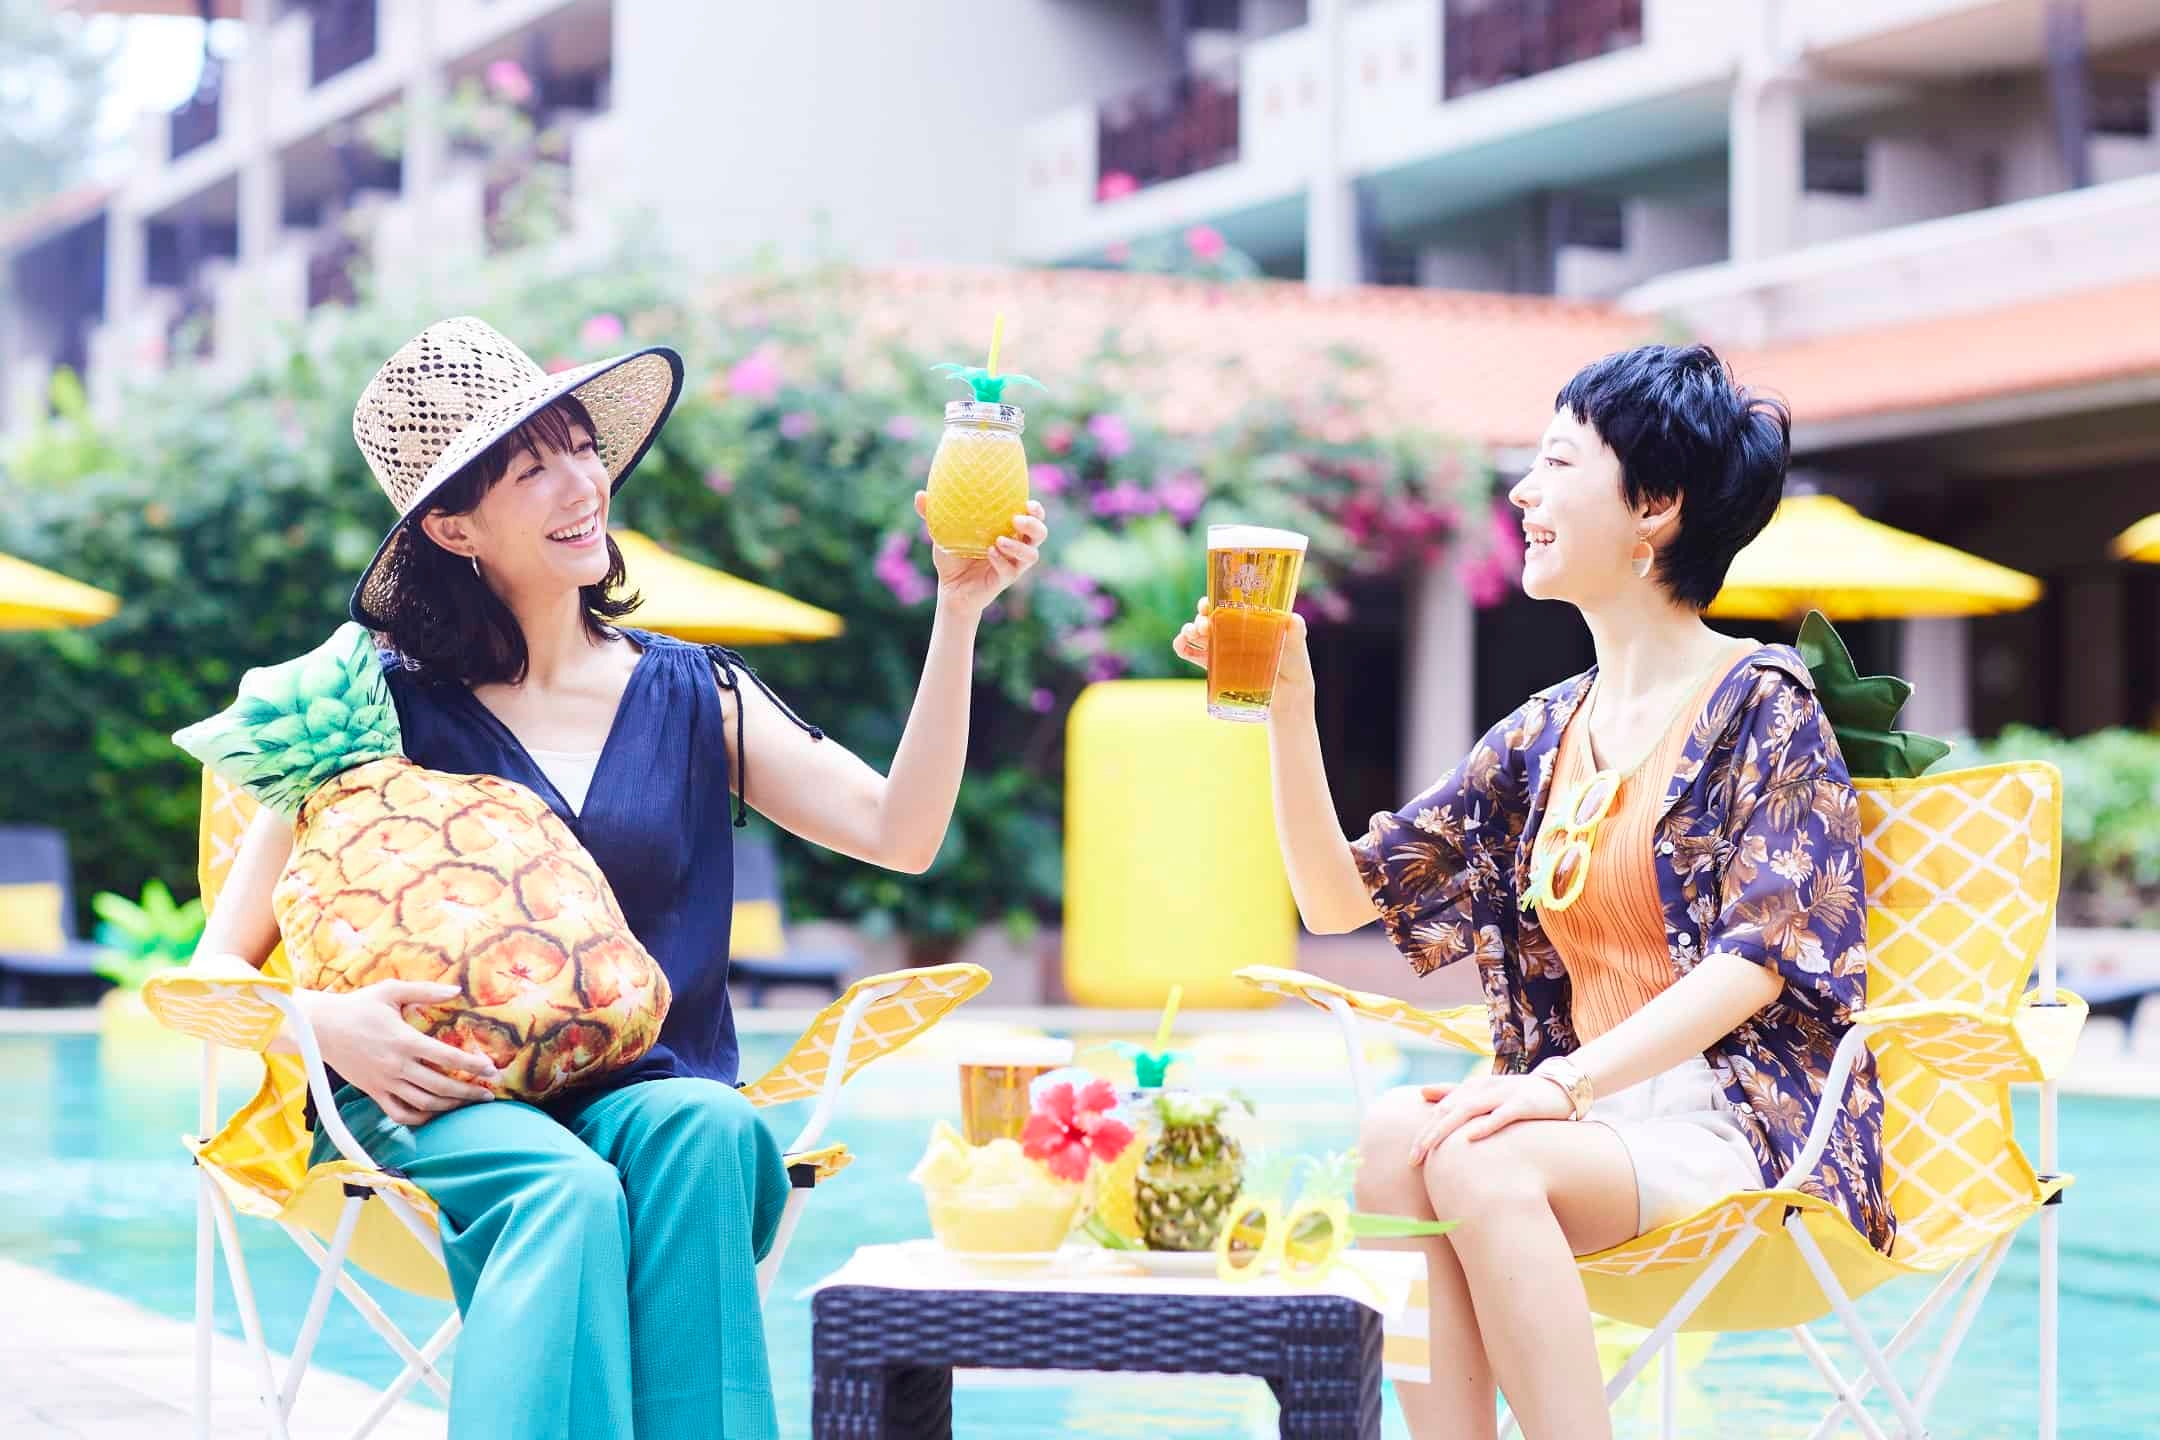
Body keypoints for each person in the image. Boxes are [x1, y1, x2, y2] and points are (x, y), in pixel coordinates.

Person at [187, 316, 1048, 1439]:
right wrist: (323, 1026)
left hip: (644, 1088)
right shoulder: (366, 711)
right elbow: (209, 969)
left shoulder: (695, 693)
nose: (581, 485)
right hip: (435, 1101)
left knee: (712, 1130)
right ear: (452, 525)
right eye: (531, 470)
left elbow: (902, 833)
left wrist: (959, 611)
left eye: (583, 449)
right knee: (564, 1189)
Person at [1174, 344, 1892, 1440]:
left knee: (1480, 1157)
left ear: (1654, 506)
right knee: (1392, 1136)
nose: (1521, 493)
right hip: (1589, 1121)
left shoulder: (1764, 705)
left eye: (1557, 463)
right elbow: (1335, 901)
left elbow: (1758, 960)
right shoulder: (1546, 733)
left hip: (1750, 1133)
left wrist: (1562, 1085)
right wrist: (1288, 709)